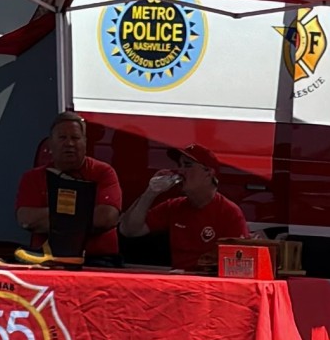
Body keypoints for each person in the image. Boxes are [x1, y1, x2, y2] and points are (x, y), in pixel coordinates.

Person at [120, 146, 255, 272]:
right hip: (178, 283)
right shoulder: (174, 206)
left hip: (208, 286)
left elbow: (239, 264)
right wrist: (150, 192)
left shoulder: (229, 213)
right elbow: (129, 230)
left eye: (187, 165)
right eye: (179, 165)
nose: (180, 171)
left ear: (208, 173)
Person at [17, 111, 123, 261]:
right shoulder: (32, 178)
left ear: (85, 142)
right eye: (62, 138)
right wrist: (83, 216)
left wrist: (54, 220)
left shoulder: (104, 172)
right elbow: (26, 219)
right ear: (51, 144)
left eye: (75, 138)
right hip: (45, 259)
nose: (69, 143)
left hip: (99, 260)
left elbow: (106, 218)